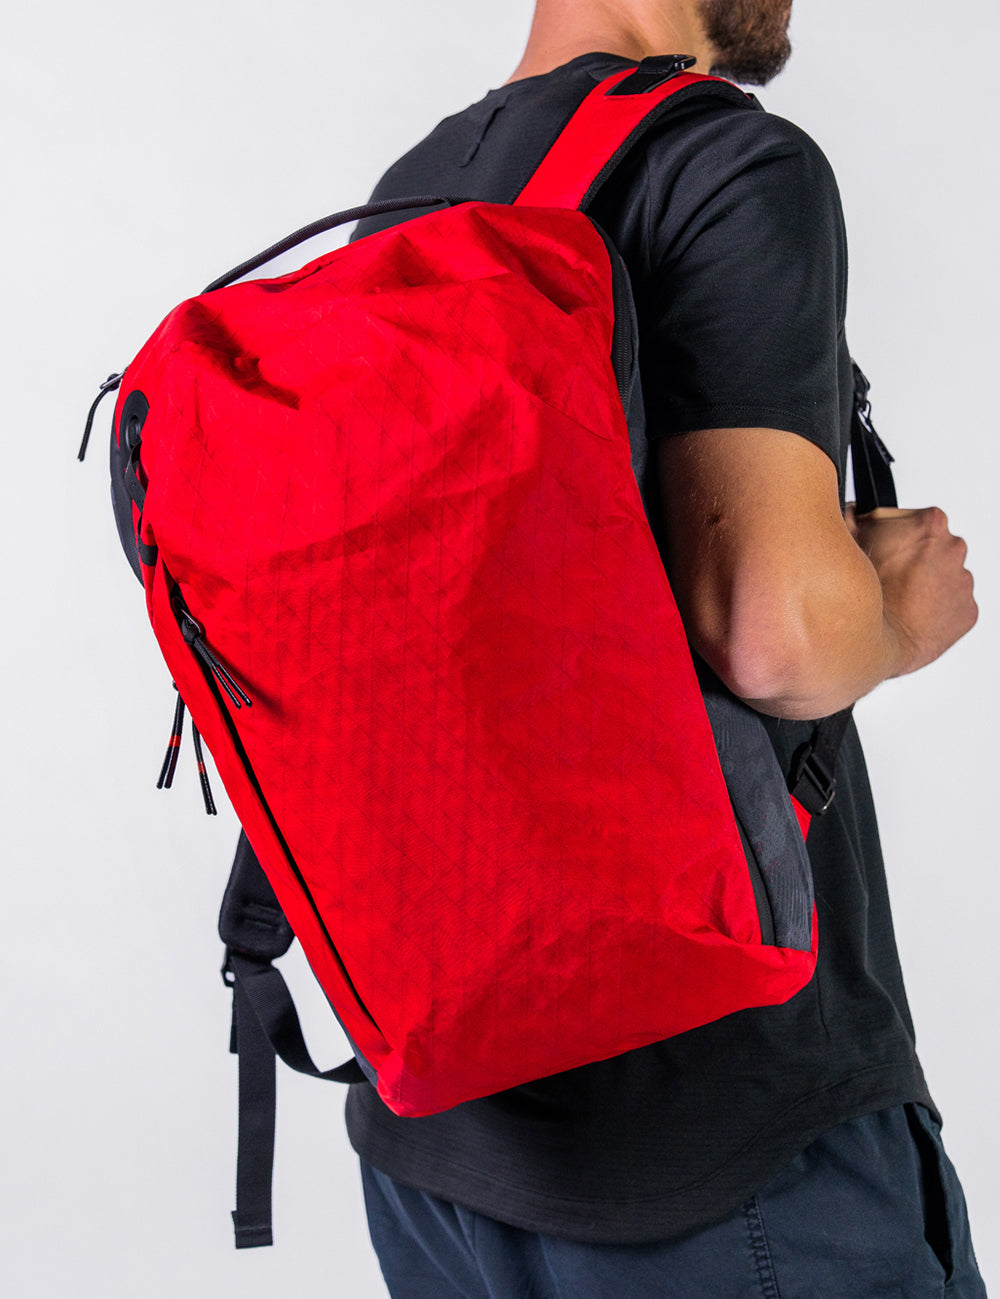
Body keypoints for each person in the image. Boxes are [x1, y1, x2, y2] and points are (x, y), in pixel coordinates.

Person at [346, 1, 985, 1293]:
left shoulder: (413, 199)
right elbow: (781, 641)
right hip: (727, 1150)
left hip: (446, 1132)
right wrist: (903, 614)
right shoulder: (725, 161)